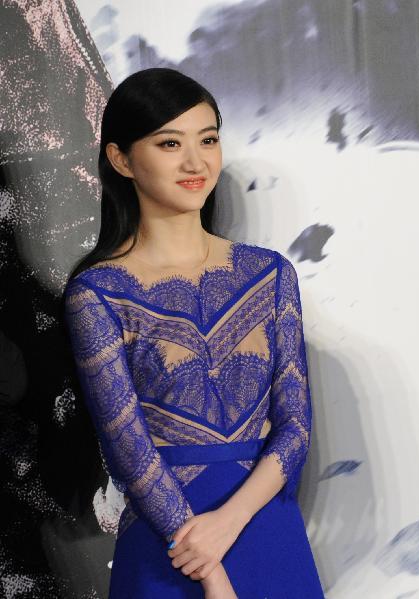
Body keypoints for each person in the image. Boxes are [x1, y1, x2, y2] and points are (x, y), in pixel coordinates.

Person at [64, 68, 323, 598]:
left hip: (266, 532)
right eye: (169, 143)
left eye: (208, 140)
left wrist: (227, 525)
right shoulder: (98, 293)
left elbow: (295, 428)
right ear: (120, 159)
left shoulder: (271, 274)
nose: (195, 162)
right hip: (171, 551)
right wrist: (209, 569)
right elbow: (130, 455)